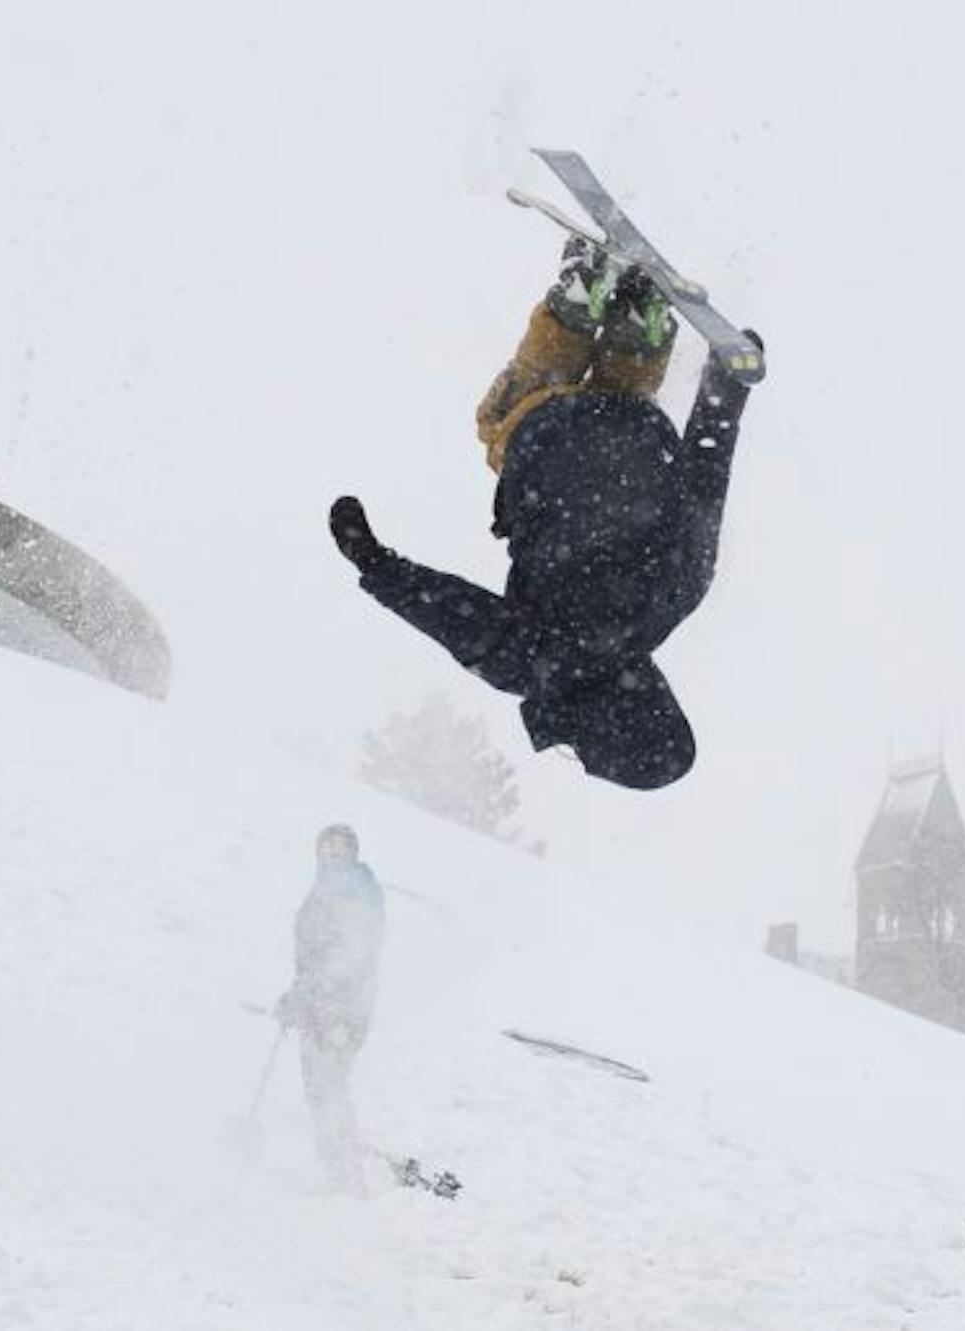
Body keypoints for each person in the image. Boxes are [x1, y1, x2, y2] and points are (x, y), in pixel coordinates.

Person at [327, 238, 765, 790]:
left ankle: (641, 319)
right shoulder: (545, 666)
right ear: (602, 733)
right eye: (586, 753)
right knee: (506, 416)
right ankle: (578, 298)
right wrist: (376, 563)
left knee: (621, 400)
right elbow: (457, 616)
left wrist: (727, 386)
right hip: (553, 453)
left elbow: (706, 479)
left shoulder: (681, 597)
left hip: (639, 435)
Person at [274, 824, 385, 1193]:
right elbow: (311, 959)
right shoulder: (321, 893)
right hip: (320, 1007)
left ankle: (346, 1179)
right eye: (327, 848)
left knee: (327, 1087)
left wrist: (314, 990)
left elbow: (352, 954)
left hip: (344, 1009)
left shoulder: (357, 891)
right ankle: (340, 1173)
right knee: (321, 1089)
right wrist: (296, 995)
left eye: (342, 849)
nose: (334, 855)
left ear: (353, 854)